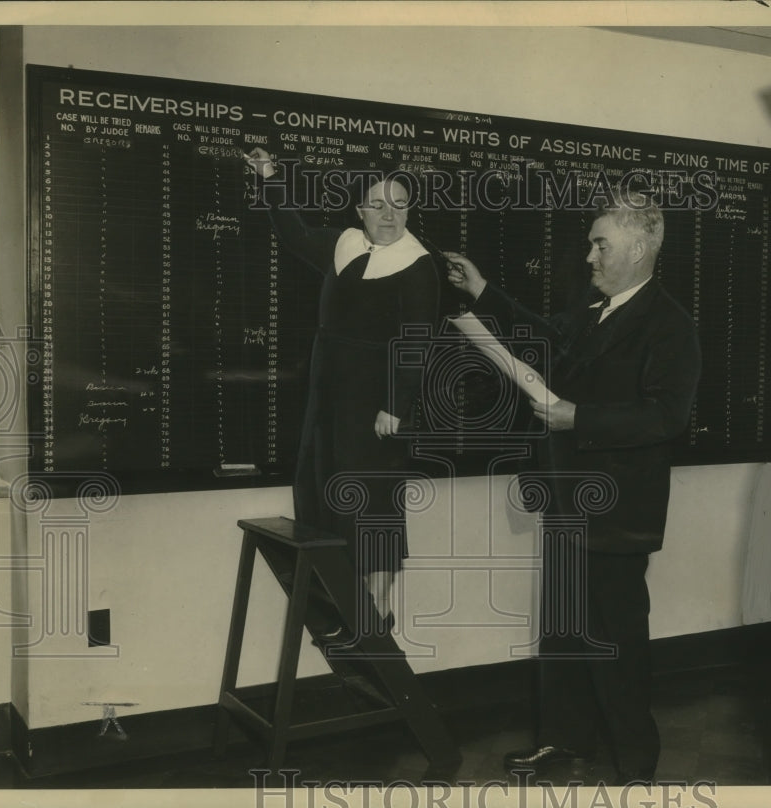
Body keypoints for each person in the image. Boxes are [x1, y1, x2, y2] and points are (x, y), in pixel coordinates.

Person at [445, 190, 701, 783]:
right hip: (567, 499)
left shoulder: (670, 326)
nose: (589, 256)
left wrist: (577, 418)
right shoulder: (593, 312)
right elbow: (540, 333)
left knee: (615, 639)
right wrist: (483, 292)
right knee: (562, 629)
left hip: (617, 511)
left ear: (638, 249)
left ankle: (638, 764)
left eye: (600, 244)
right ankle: (566, 741)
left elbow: (667, 417)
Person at [246, 148, 440, 637]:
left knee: (373, 501)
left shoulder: (418, 265)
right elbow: (293, 232)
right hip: (328, 393)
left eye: (399, 203)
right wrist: (269, 176)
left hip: (375, 403)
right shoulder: (344, 245)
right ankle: (340, 605)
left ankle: (379, 605)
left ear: (409, 210)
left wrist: (396, 406)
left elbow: (418, 339)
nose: (389, 213)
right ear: (360, 211)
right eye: (377, 204)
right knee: (320, 490)